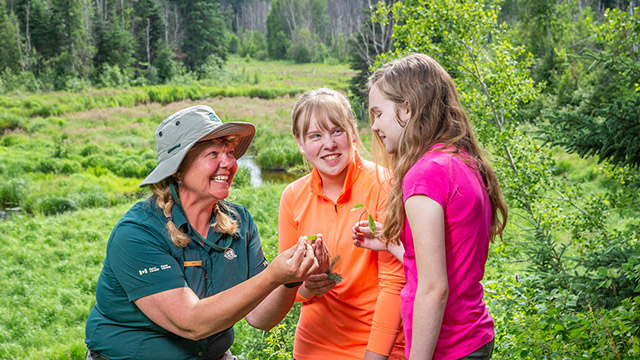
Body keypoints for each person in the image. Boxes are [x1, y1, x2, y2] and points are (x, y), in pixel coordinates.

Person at [85, 105, 327, 360]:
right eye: (213, 154)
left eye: (230, 153)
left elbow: (260, 317)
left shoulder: (239, 221)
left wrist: (289, 279)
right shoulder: (137, 234)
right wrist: (272, 275)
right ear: (178, 170)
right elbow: (191, 322)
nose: (229, 163)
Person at [352, 54, 508, 360]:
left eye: (378, 113)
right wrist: (390, 244)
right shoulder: (460, 160)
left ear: (407, 108)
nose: (374, 126)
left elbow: (434, 288)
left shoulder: (425, 174)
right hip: (474, 337)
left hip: (449, 348)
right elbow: (448, 263)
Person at [278, 88, 406, 360]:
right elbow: (287, 286)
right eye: (315, 135)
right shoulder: (292, 196)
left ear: (353, 133)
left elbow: (395, 284)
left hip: (380, 345)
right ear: (300, 142)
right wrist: (306, 289)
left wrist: (376, 356)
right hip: (314, 345)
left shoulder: (385, 184)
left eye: (337, 131)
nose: (329, 144)